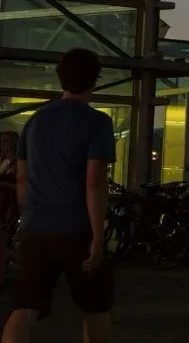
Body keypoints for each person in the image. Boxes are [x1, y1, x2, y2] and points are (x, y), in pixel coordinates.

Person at [2, 49, 115, 343]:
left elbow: (22, 179)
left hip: (36, 228)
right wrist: (98, 238)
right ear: (94, 80)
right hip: (77, 228)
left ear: (61, 79)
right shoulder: (97, 122)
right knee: (95, 308)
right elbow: (94, 183)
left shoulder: (36, 121)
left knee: (24, 307)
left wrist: (28, 219)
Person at [0, 131, 20, 283]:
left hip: (8, 208)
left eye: (5, 141)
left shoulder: (18, 163)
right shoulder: (2, 161)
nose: (2, 144)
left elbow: (21, 186)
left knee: (3, 246)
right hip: (2, 205)